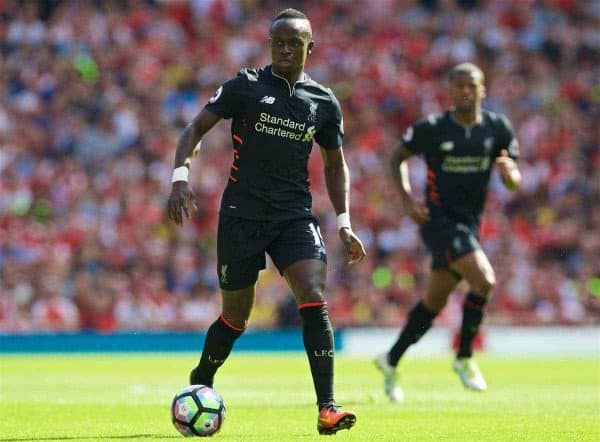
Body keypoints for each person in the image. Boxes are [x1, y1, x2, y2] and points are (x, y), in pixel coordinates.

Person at [166, 8, 365, 435]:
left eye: (296, 42)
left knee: (312, 292)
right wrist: (180, 177)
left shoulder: (324, 102)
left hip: (294, 215)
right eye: (279, 42)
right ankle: (202, 377)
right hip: (242, 216)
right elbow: (195, 129)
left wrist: (345, 222)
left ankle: (327, 407)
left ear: (311, 47)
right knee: (235, 319)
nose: (287, 49)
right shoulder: (246, 86)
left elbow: (335, 163)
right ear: (270, 44)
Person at [375, 63, 522, 402]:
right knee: (484, 280)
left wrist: (509, 172)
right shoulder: (434, 129)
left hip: (470, 224)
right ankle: (465, 357)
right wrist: (408, 201)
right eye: (459, 86)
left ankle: (391, 359)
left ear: (483, 89)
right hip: (438, 220)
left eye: (472, 85)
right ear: (450, 91)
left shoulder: (497, 128)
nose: (465, 91)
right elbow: (396, 157)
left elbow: (514, 179)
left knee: (434, 301)